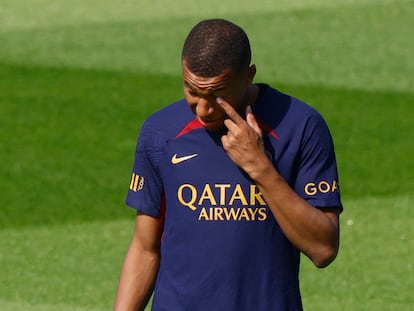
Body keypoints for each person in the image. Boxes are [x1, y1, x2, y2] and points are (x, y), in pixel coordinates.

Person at [114, 18, 342, 311]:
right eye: (192, 92)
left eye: (217, 95)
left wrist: (260, 167)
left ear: (249, 76)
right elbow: (145, 248)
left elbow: (323, 249)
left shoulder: (301, 126)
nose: (203, 110)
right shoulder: (161, 131)